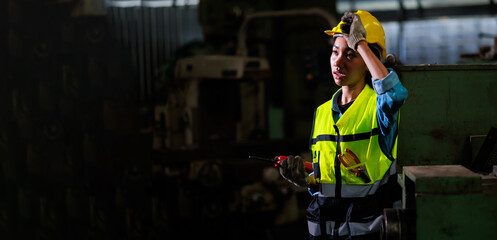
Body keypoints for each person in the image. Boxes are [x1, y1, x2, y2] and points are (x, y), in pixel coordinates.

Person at [278, 10, 408, 240]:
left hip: (367, 230)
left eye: (350, 55)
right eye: (335, 52)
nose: (338, 62)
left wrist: (361, 44)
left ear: (369, 61)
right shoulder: (322, 112)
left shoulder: (379, 107)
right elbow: (330, 176)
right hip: (325, 230)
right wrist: (305, 180)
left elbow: (396, 94)